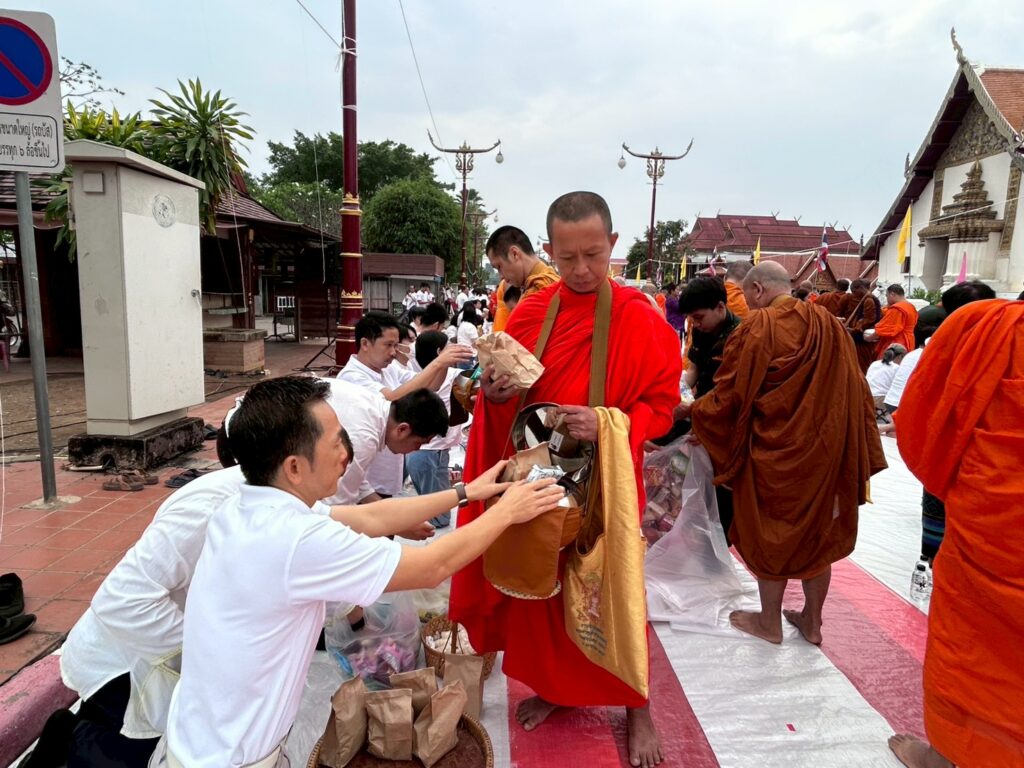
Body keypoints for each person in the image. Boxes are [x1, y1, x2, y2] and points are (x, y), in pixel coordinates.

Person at [152, 376, 563, 768]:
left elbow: (369, 518)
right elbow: (432, 566)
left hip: (197, 738)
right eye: (335, 442)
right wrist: (507, 513)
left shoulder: (251, 504)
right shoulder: (296, 540)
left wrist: (465, 492)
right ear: (294, 467)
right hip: (229, 757)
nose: (346, 453)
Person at [450, 191, 682, 768]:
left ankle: (637, 706)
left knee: (616, 589)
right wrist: (495, 396)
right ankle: (558, 688)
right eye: (569, 256)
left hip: (610, 479)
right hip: (544, 476)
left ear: (613, 245)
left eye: (594, 255)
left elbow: (662, 407)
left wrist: (607, 423)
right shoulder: (531, 313)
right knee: (543, 587)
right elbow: (507, 398)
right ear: (548, 249)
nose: (581, 269)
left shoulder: (639, 317)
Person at [690, 262, 886, 646]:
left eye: (749, 297)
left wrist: (693, 412)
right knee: (818, 536)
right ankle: (812, 621)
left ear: (758, 289)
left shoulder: (758, 327)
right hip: (827, 450)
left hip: (774, 453)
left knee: (770, 533)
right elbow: (856, 388)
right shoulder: (829, 326)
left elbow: (730, 397)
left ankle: (769, 622)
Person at [887, 298, 1024, 768]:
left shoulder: (983, 327)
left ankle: (945, 756)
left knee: (969, 650)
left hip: (991, 532)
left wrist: (947, 481)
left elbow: (924, 419)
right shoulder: (987, 328)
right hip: (992, 529)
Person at [407, 331, 464, 528]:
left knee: (432, 510)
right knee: (439, 519)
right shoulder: (454, 376)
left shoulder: (418, 377)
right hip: (431, 454)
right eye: (450, 347)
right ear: (440, 352)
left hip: (425, 452)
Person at [487, 226, 560, 333]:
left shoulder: (539, 288)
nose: (501, 276)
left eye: (499, 266)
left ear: (514, 254)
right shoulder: (550, 278)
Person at [865, 284, 918, 359]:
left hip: (896, 344)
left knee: (887, 365)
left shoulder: (897, 309)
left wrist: (869, 338)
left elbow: (885, 329)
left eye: (887, 296)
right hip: (909, 341)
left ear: (892, 294)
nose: (887, 299)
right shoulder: (911, 307)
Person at [842, 278, 883, 372]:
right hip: (860, 338)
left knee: (862, 366)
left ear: (860, 288)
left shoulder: (869, 300)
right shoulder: (865, 299)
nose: (854, 295)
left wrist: (854, 329)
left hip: (864, 340)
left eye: (854, 291)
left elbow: (869, 319)